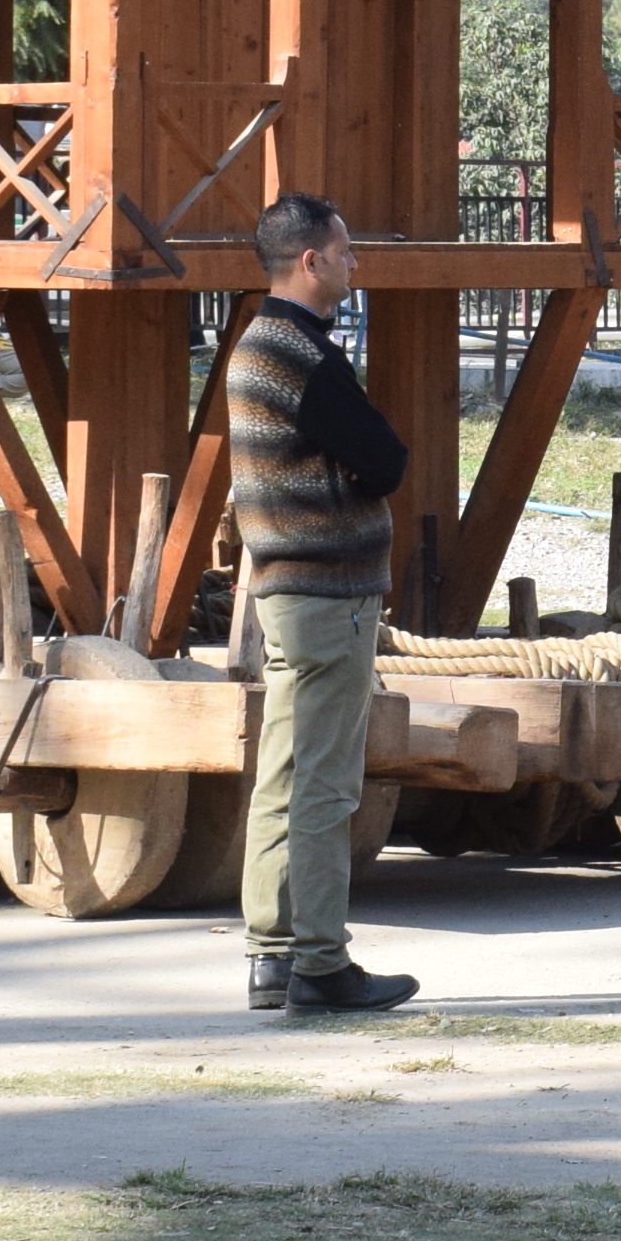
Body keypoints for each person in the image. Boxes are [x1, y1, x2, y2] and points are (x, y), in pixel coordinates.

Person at [228, 191, 419, 1017]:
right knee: (326, 781)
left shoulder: (251, 345)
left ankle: (272, 952)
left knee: (282, 770)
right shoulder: (303, 354)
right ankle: (321, 961)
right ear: (309, 261)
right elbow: (385, 460)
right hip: (329, 590)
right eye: (344, 253)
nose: (354, 264)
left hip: (282, 590)